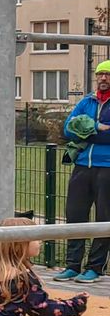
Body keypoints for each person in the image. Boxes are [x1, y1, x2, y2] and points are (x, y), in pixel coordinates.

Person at [54, 59, 110, 284]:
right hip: (81, 166)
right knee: (75, 215)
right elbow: (68, 129)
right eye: (100, 74)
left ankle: (95, 267)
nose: (103, 78)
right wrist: (96, 127)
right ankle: (72, 265)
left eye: (107, 74)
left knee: (104, 218)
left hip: (106, 166)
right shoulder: (87, 100)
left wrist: (84, 130)